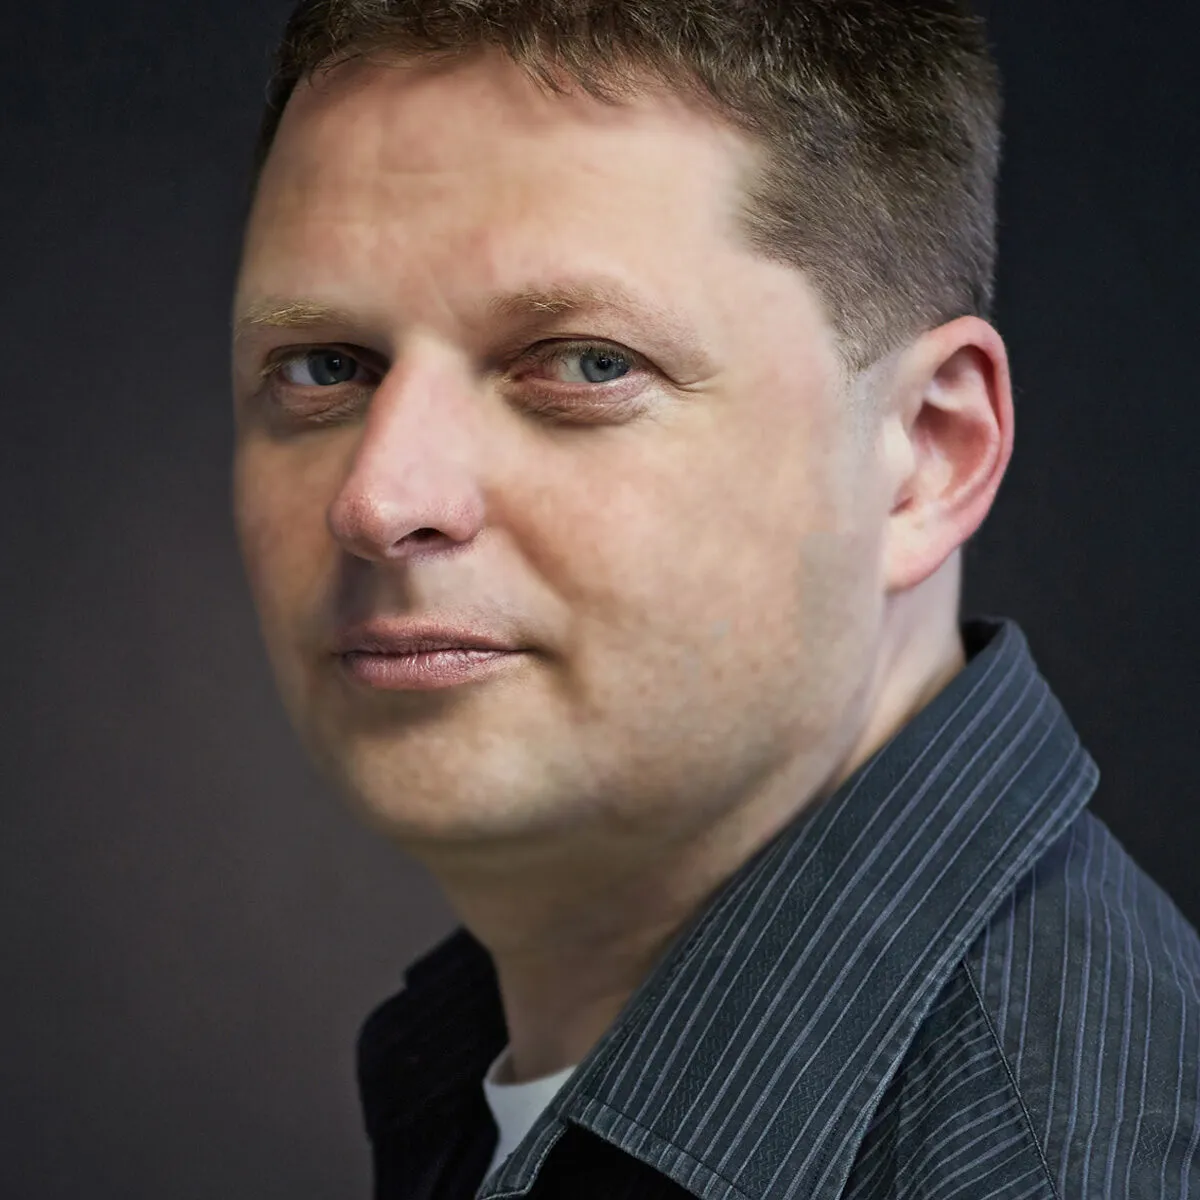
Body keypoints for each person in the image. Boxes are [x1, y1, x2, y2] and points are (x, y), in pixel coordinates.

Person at [229, 1, 1200, 1196]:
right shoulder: (490, 1059)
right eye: (325, 368)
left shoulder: (1058, 1161)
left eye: (587, 362)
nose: (379, 500)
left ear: (927, 456)